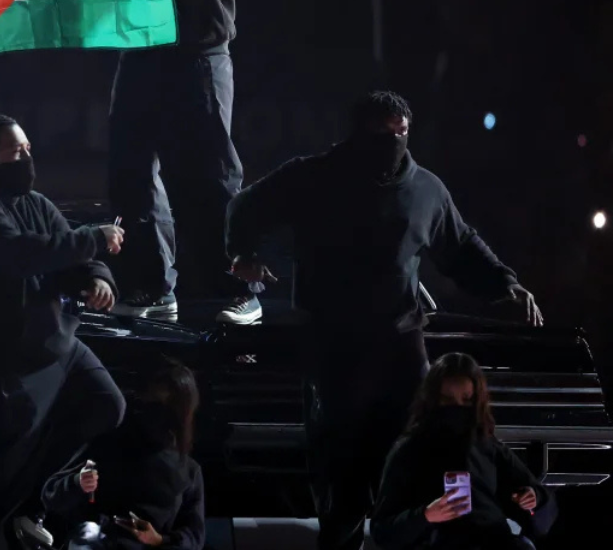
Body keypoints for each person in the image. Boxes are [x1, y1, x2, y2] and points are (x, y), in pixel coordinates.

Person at [224, 91, 544, 550]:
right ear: (358, 135)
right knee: (340, 466)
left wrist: (505, 284)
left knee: (418, 452)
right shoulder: (313, 177)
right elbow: (244, 208)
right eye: (382, 134)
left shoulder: (424, 190)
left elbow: (460, 247)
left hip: (399, 341)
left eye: (402, 133)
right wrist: (243, 253)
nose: (393, 142)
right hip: (334, 343)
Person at [0, 114, 127, 550]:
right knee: (2, 453)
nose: (26, 157)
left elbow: (66, 247)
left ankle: (27, 505)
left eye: (28, 149)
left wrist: (97, 278)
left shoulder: (33, 201)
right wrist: (94, 238)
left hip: (54, 344)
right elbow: (21, 255)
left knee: (105, 404)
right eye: (15, 150)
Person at [107, 0, 263, 324]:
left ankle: (237, 289)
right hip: (141, 52)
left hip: (198, 54)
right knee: (131, 173)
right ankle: (152, 285)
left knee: (213, 176)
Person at [371, 353, 556, 549]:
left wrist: (532, 498)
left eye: (466, 399)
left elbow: (538, 503)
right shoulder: (409, 450)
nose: (457, 408)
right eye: (447, 400)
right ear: (433, 400)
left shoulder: (486, 445)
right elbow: (383, 530)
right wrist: (425, 516)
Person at [42, 358, 205, 550]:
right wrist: (77, 482)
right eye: (148, 404)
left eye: (162, 408)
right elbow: (51, 493)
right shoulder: (108, 446)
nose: (154, 416)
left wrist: (159, 540)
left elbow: (194, 537)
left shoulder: (189, 471)